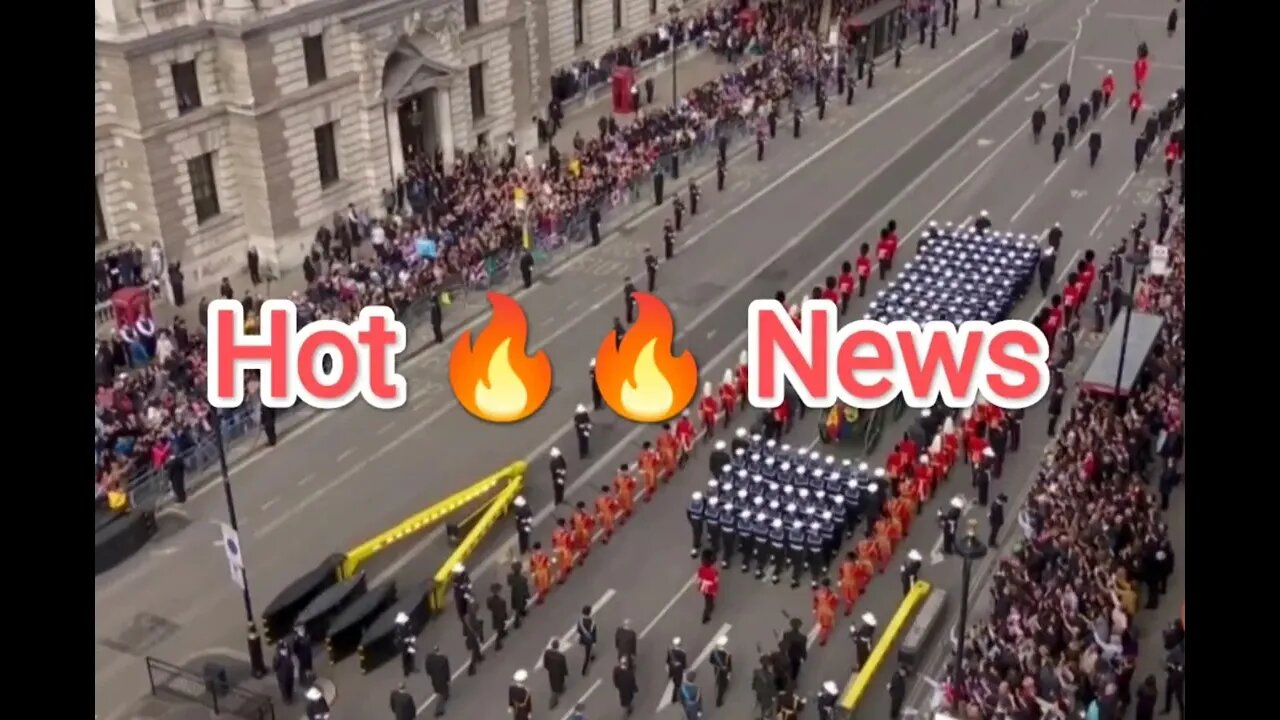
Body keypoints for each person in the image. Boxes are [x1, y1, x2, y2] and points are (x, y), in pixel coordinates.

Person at [542, 639, 569, 709]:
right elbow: (564, 667)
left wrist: (549, 669)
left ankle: (560, 691)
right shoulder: (561, 657)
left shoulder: (547, 653)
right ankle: (553, 703)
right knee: (556, 687)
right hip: (559, 673)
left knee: (553, 685)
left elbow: (545, 664)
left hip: (551, 672)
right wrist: (566, 673)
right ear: (558, 647)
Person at [424, 647, 451, 716]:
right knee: (442, 693)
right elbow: (446, 670)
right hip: (442, 679)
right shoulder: (443, 659)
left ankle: (446, 695)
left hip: (434, 679)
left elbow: (428, 670)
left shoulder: (429, 659)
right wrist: (448, 678)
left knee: (442, 691)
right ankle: (438, 710)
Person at [709, 636, 732, 706]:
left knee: (720, 680)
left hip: (717, 669)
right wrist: (728, 670)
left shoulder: (713, 652)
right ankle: (719, 701)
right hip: (722, 670)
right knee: (721, 686)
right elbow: (727, 663)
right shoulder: (724, 654)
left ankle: (723, 685)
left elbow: (711, 661)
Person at [666, 638, 689, 704]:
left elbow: (668, 660)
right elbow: (684, 664)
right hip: (678, 670)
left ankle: (675, 697)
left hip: (672, 668)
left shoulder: (670, 651)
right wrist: (684, 671)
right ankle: (674, 698)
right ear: (680, 644)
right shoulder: (683, 653)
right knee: (678, 685)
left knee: (675, 682)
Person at [508, 561, 530, 628]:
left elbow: (509, 584)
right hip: (520, 594)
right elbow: (525, 588)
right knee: (519, 606)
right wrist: (527, 594)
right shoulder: (522, 579)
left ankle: (522, 611)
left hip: (514, 593)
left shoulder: (510, 576)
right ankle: (516, 622)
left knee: (518, 606)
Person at [487, 583, 510, 651]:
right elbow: (503, 609)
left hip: (495, 616)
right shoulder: (501, 600)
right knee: (499, 629)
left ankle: (503, 632)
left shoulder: (489, 600)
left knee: (499, 628)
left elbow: (489, 607)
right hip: (501, 616)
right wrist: (505, 615)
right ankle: (497, 644)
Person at [395, 612, 417, 677]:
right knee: (405, 658)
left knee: (411, 656)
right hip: (404, 646)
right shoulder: (398, 629)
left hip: (408, 643)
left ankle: (412, 668)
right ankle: (406, 671)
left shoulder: (405, 625)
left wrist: (411, 637)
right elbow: (401, 639)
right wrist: (410, 639)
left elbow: (409, 632)